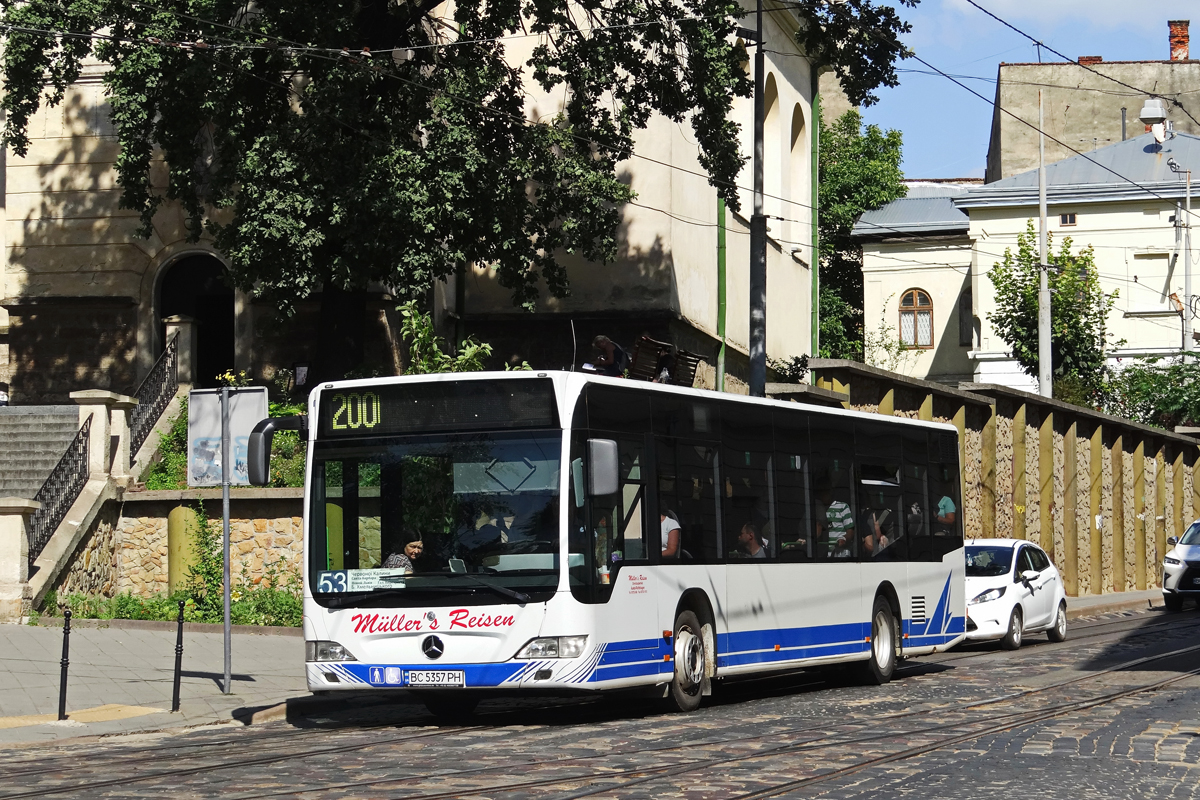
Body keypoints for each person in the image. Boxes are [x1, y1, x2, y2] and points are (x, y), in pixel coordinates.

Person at [815, 481, 854, 558]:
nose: (823, 494)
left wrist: (844, 539)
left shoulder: (842, 506)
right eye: (820, 492)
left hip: (841, 554)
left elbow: (851, 531)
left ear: (831, 491)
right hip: (824, 554)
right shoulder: (817, 509)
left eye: (825, 491)